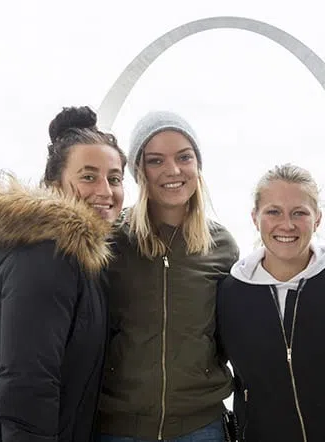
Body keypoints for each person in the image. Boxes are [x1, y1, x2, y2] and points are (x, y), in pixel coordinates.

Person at [0, 106, 127, 441]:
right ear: (54, 184)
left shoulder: (82, 262)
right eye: (88, 177)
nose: (105, 191)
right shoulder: (49, 256)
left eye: (115, 178)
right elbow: (28, 383)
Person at [216, 164, 325, 442]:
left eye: (299, 213)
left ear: (317, 219)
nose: (287, 224)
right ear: (255, 217)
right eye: (273, 211)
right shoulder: (229, 294)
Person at [98, 111, 239, 442]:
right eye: (156, 160)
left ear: (197, 165)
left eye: (184, 157)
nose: (173, 171)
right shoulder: (111, 240)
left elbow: (234, 333)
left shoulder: (221, 246)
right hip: (118, 427)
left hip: (201, 427)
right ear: (139, 171)